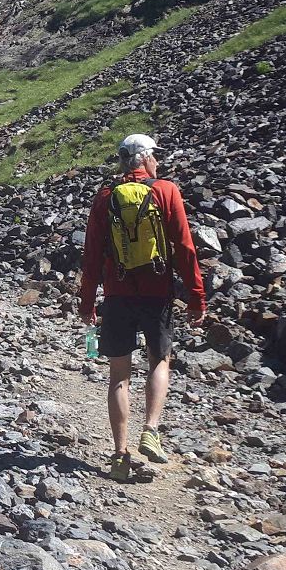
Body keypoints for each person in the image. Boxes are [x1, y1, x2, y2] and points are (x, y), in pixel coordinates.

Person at [78, 133, 206, 482]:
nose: (158, 163)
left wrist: (87, 301)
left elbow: (91, 256)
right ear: (145, 158)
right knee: (159, 360)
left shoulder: (105, 197)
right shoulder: (166, 191)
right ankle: (151, 428)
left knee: (119, 376)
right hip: (157, 292)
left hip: (117, 295)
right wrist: (196, 296)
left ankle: (120, 456)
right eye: (155, 157)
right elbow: (184, 247)